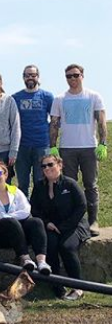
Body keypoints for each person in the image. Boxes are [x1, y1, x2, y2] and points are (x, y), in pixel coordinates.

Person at [49, 64, 107, 236]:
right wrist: (53, 145)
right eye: (68, 76)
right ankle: (74, 222)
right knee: (69, 186)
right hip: (67, 148)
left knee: (91, 185)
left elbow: (102, 121)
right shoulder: (60, 99)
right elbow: (54, 123)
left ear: (82, 75)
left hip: (89, 146)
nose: (72, 79)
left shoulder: (94, 96)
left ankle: (93, 221)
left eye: (75, 75)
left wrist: (103, 143)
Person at [0, 159, 51, 273]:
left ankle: (42, 262)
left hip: (19, 235)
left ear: (5, 174)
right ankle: (25, 259)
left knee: (36, 222)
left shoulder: (15, 191)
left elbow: (26, 211)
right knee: (11, 222)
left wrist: (1, 216)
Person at [30, 154, 91, 301]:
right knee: (50, 246)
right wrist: (47, 223)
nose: (47, 168)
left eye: (50, 164)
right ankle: (57, 286)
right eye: (44, 166)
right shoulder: (39, 186)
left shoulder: (70, 184)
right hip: (51, 226)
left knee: (66, 247)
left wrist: (64, 227)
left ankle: (78, 287)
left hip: (74, 225)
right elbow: (34, 209)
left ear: (60, 165)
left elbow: (81, 207)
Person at [12, 65, 54, 196]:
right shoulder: (15, 97)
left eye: (33, 75)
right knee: (23, 183)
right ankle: (25, 213)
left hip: (41, 145)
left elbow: (54, 120)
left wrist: (53, 144)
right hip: (22, 146)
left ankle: (40, 213)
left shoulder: (47, 96)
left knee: (40, 182)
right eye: (27, 75)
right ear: (23, 77)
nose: (30, 77)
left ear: (38, 77)